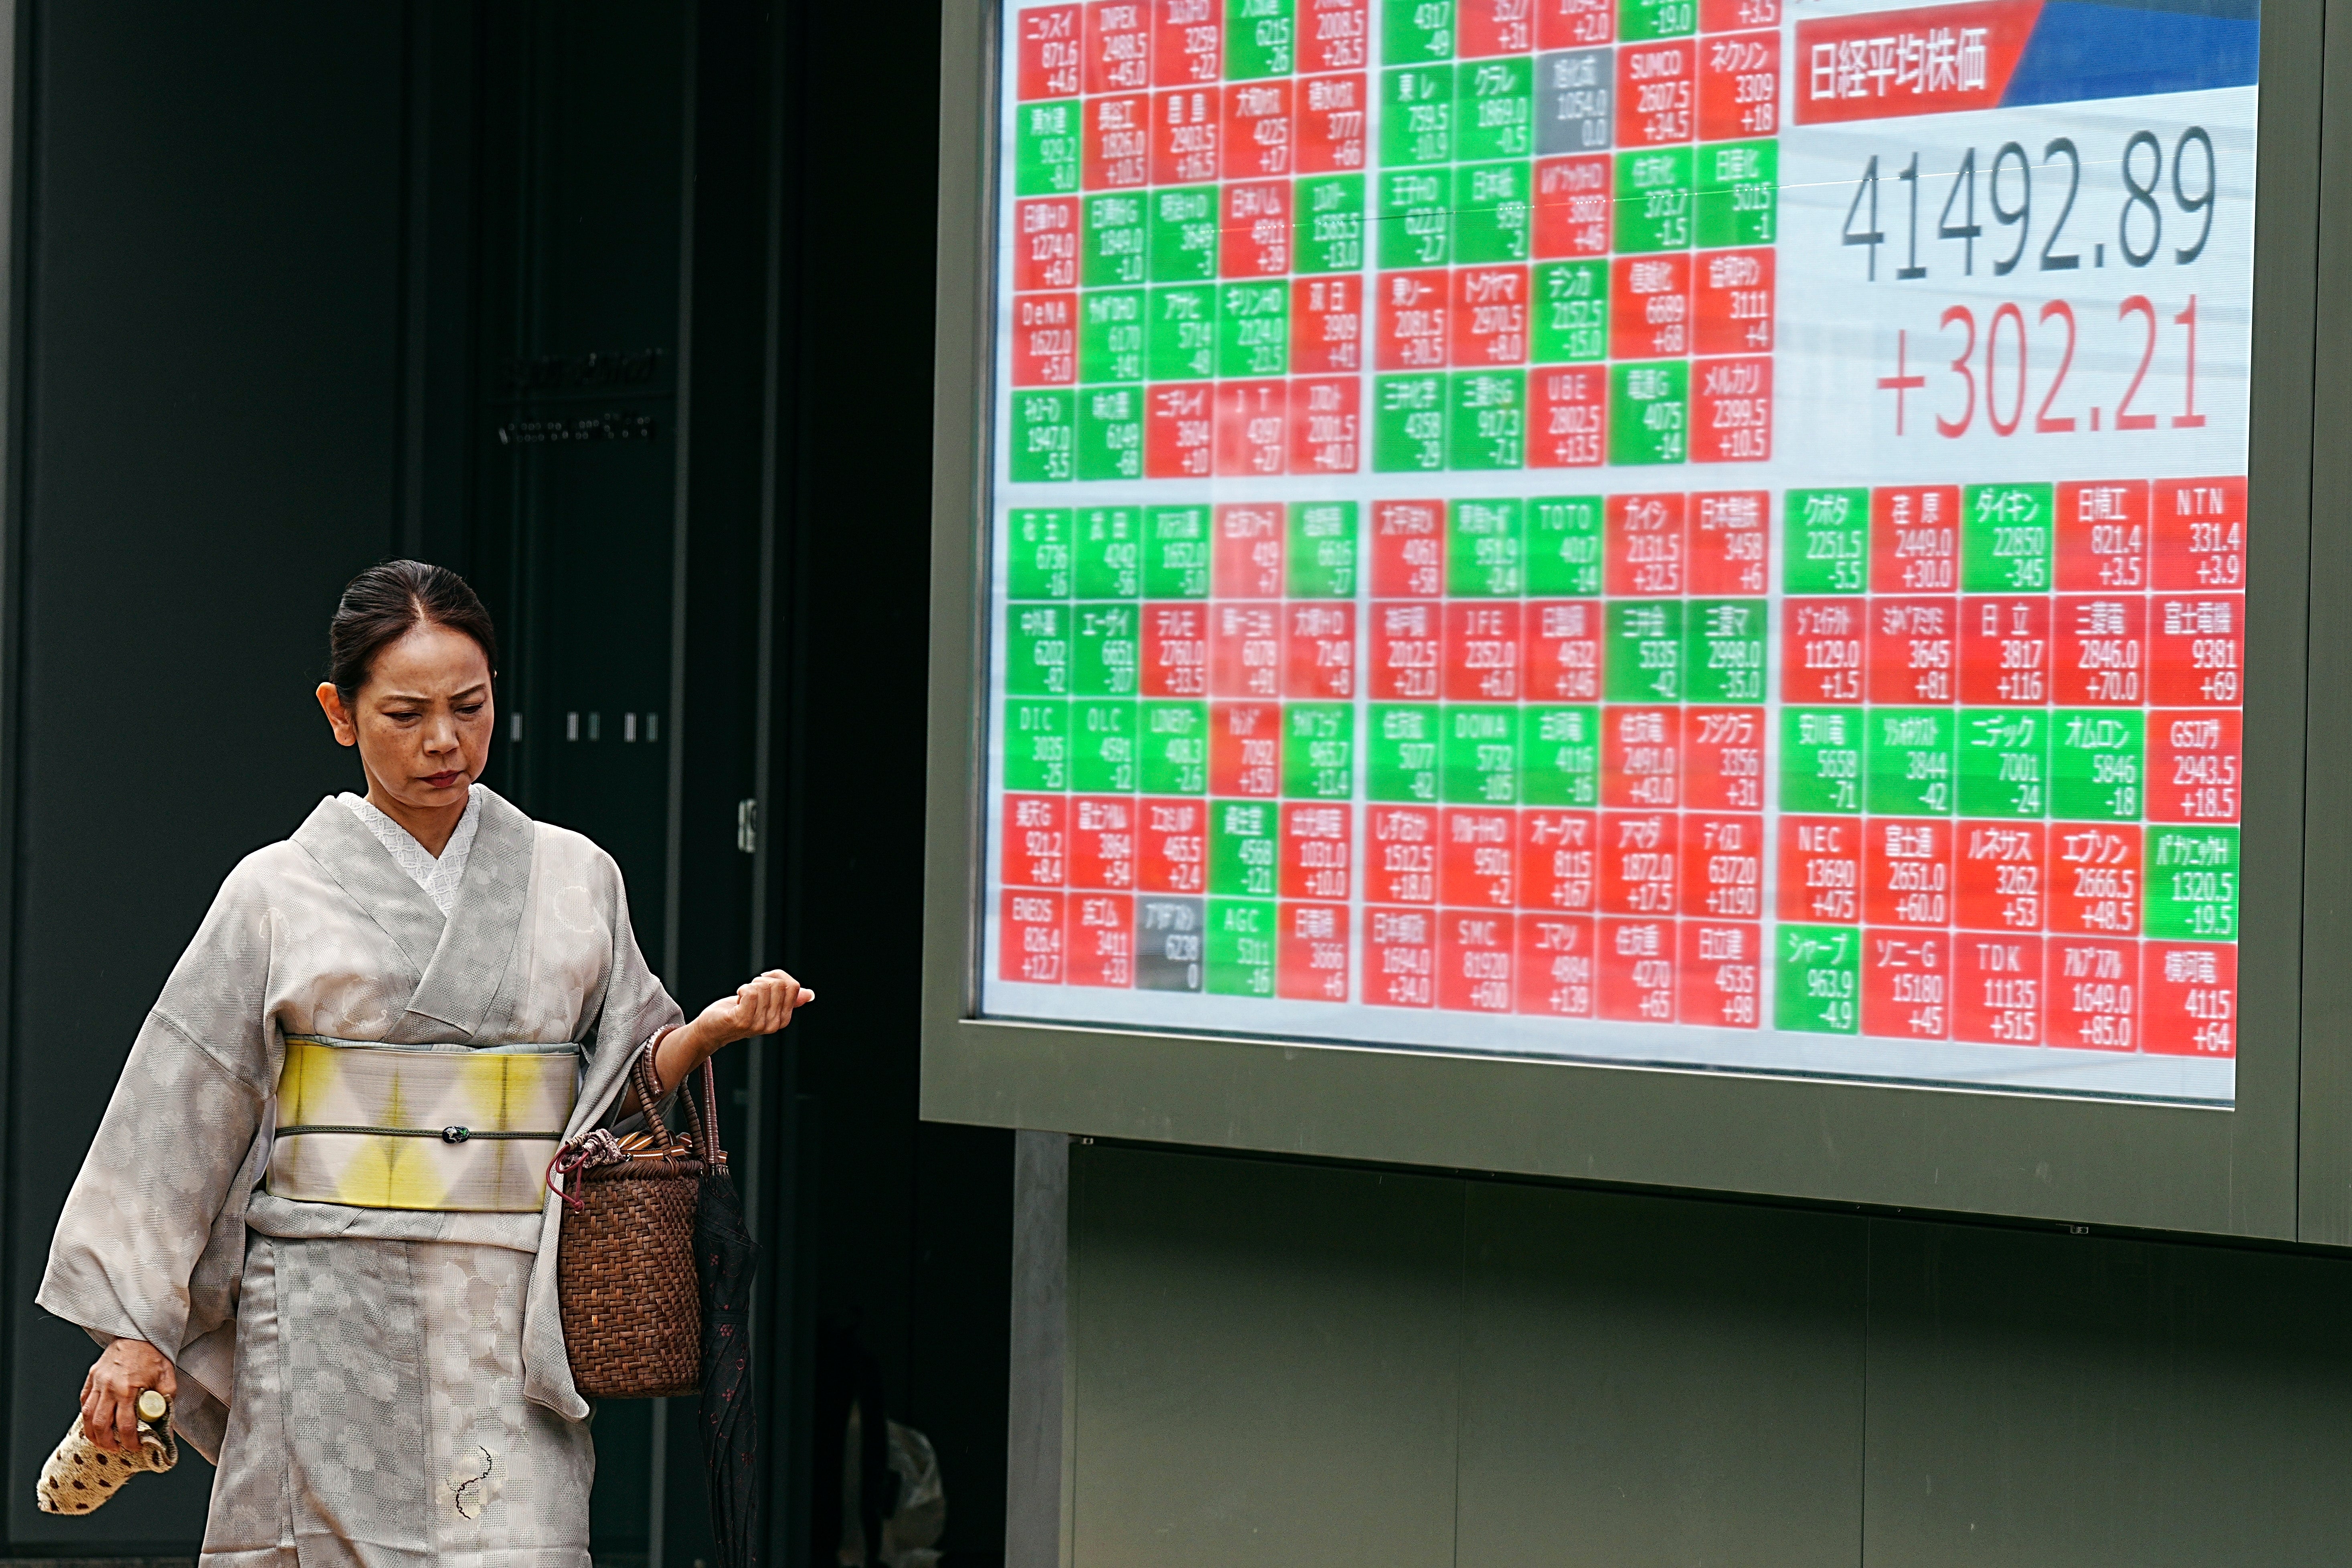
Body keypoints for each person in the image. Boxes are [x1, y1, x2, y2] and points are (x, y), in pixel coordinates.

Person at [38, 560, 810, 1565]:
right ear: (340, 713)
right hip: (324, 1302)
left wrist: (704, 1034)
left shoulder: (575, 875)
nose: (444, 740)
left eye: (469, 706)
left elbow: (616, 1092)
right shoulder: (275, 891)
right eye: (406, 714)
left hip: (506, 1302)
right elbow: (182, 1104)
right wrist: (134, 1328)